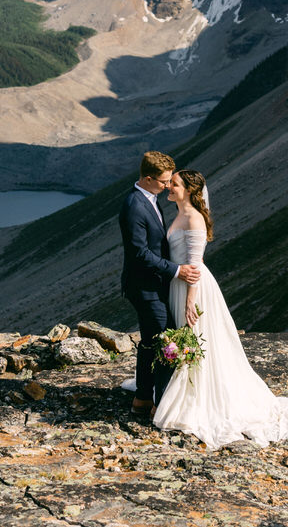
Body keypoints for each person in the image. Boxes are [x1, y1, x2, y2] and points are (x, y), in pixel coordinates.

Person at [153, 169, 288, 447]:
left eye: (176, 184)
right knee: (189, 340)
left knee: (195, 338)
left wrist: (190, 301)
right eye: (170, 183)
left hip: (192, 288)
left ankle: (198, 398)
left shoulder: (193, 218)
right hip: (177, 285)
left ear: (190, 191)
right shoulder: (181, 214)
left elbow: (195, 264)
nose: (169, 186)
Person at [119, 150, 200, 418]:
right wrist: (177, 270)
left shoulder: (149, 199)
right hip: (145, 287)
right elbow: (139, 254)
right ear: (149, 178)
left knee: (150, 342)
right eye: (164, 181)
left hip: (152, 284)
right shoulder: (134, 206)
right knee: (165, 343)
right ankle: (160, 405)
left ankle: (143, 398)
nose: (168, 186)